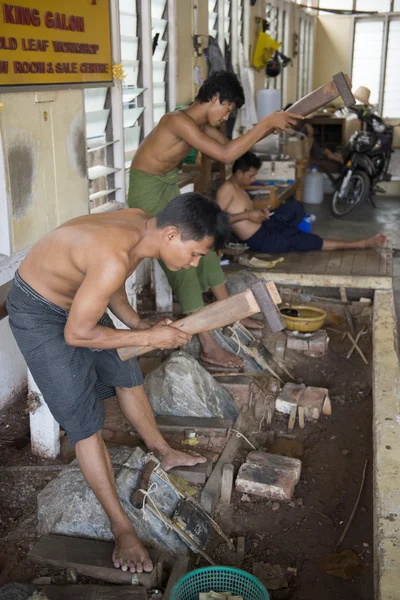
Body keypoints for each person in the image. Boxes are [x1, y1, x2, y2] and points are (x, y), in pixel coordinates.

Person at [6, 194, 230, 575]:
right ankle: (122, 527)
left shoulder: (142, 223)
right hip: (38, 311)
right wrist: (146, 339)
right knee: (84, 422)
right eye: (195, 254)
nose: (193, 264)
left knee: (127, 374)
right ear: (172, 235)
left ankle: (163, 449)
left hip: (78, 301)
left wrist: (139, 326)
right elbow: (78, 333)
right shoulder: (113, 254)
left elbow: (110, 286)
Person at [128, 70, 301, 370]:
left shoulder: (201, 125)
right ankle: (209, 345)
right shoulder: (177, 121)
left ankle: (228, 313)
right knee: (182, 260)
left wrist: (268, 129)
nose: (226, 117)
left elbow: (233, 151)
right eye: (228, 109)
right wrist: (264, 123)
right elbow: (224, 155)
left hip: (167, 186)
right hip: (148, 193)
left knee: (204, 247)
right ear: (216, 98)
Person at [216, 152, 386, 253]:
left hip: (266, 226)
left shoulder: (239, 187)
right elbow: (216, 221)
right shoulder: (227, 190)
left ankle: (290, 233)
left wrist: (259, 214)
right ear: (239, 173)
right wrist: (249, 214)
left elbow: (247, 216)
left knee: (295, 206)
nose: (253, 180)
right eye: (251, 176)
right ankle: (362, 244)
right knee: (306, 241)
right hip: (259, 239)